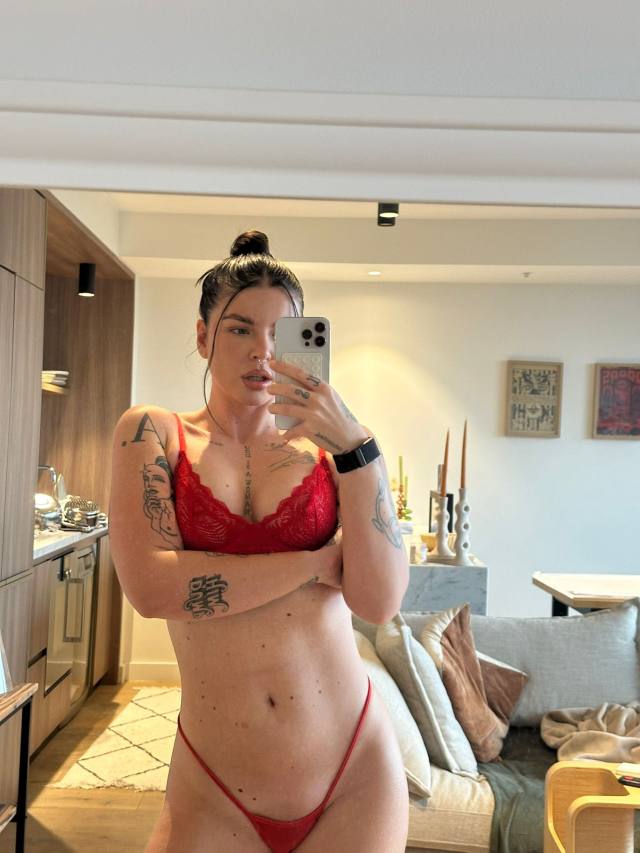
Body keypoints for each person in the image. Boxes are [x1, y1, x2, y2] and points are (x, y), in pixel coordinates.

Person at [109, 230, 410, 852]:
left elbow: (379, 602)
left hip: (353, 771)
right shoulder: (152, 433)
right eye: (240, 329)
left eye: (281, 333)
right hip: (215, 783)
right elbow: (153, 589)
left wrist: (358, 449)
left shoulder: (336, 452)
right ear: (203, 338)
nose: (262, 351)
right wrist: (314, 565)